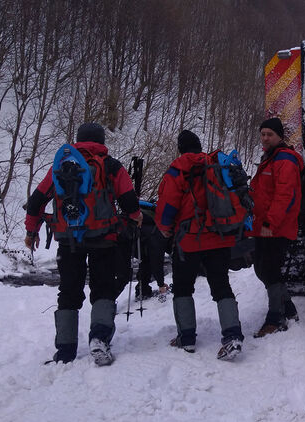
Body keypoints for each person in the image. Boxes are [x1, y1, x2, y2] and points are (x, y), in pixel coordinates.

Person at [24, 122, 141, 366]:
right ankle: (99, 338)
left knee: (68, 291)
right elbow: (129, 201)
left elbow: (36, 202)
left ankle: (65, 351)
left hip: (68, 240)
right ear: (102, 141)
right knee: (103, 288)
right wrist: (135, 217)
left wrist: (31, 231)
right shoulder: (111, 165)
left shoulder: (61, 166)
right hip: (104, 238)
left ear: (78, 140)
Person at [155, 130, 244, 361]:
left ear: (180, 148)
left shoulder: (177, 170)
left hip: (188, 240)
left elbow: (167, 204)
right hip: (218, 236)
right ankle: (233, 335)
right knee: (221, 285)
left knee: (183, 288)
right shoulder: (215, 165)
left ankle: (186, 338)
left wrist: (164, 228)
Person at [248, 117, 303, 338]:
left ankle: (275, 319)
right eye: (262, 134)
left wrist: (270, 222)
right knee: (262, 269)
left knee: (269, 270)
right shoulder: (269, 158)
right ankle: (288, 308)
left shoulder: (285, 160)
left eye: (269, 134)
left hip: (276, 227)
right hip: (264, 225)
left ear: (279, 136)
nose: (265, 138)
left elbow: (285, 195)